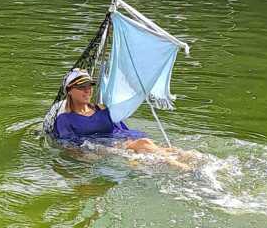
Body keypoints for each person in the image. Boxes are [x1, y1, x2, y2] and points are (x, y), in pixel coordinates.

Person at [53, 69, 199, 170]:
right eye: (81, 87)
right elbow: (68, 145)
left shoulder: (102, 109)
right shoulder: (64, 119)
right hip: (102, 148)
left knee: (164, 149)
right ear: (69, 91)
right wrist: (93, 155)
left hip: (120, 142)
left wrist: (129, 142)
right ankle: (186, 170)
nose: (87, 90)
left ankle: (193, 162)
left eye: (89, 85)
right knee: (145, 145)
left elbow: (122, 129)